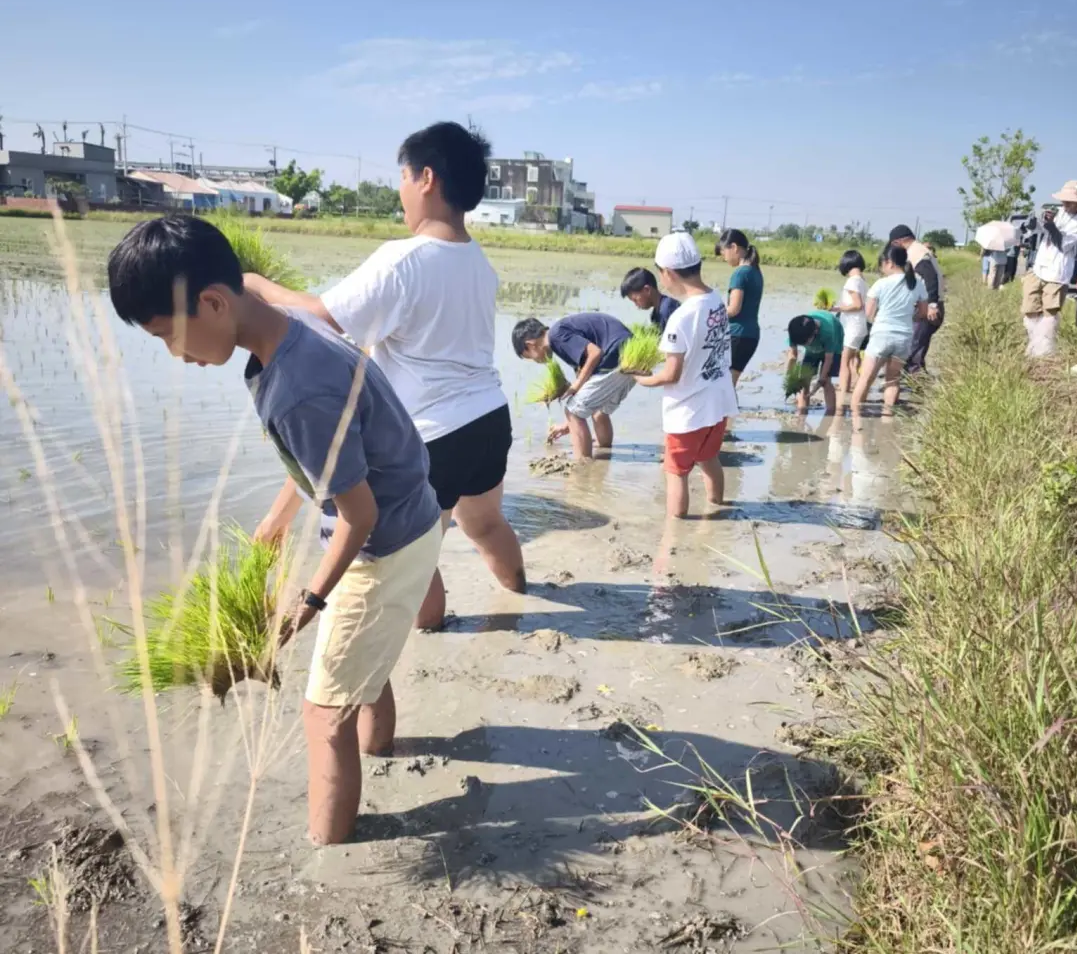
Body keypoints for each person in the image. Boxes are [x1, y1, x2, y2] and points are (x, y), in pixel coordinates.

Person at [106, 216, 442, 845]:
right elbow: (333, 456)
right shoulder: (287, 328)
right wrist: (278, 518)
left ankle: (329, 848)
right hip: (409, 520)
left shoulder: (296, 387)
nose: (174, 354)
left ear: (213, 303)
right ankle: (382, 756)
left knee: (323, 712)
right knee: (361, 664)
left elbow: (358, 513)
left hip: (383, 542)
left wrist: (305, 605)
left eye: (165, 336)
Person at [244, 121, 524, 632]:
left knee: (414, 554)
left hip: (435, 436)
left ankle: (430, 631)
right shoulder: (477, 260)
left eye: (402, 176)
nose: (400, 191)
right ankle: (521, 598)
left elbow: (324, 318)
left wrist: (258, 285)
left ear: (426, 178)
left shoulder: (404, 257)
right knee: (483, 522)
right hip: (489, 418)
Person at [630, 232, 738, 518]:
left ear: (667, 273)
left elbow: (671, 375)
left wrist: (643, 379)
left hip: (688, 411)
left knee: (676, 472)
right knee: (709, 458)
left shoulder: (681, 317)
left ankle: (676, 529)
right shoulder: (715, 300)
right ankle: (718, 508)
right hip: (718, 403)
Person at [512, 311, 632, 459]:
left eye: (529, 357)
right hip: (629, 357)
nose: (535, 361)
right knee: (599, 411)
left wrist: (575, 386)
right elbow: (586, 378)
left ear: (530, 345)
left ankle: (582, 466)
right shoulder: (560, 336)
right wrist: (567, 425)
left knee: (573, 411)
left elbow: (595, 353)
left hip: (617, 357)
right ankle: (604, 453)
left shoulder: (556, 336)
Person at [851, 244, 928, 417]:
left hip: (882, 336)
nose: (882, 268)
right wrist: (909, 317)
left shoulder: (881, 284)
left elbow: (869, 314)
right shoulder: (917, 282)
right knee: (892, 380)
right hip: (904, 337)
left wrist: (878, 319)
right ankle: (887, 419)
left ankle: (854, 419)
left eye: (882, 264)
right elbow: (923, 312)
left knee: (866, 378)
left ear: (890, 262)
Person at [1022, 181, 1077, 358]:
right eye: (1064, 201)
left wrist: (1051, 226)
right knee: (1029, 308)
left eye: (1069, 202)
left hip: (1057, 273)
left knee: (1050, 312)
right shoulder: (1060, 212)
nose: (1065, 204)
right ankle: (1036, 343)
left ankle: (1044, 349)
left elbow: (1063, 243)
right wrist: (1034, 223)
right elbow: (1039, 230)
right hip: (1039, 267)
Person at [884, 225, 944, 374]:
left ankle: (913, 386)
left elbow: (930, 277)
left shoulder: (916, 253)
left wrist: (932, 304)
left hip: (928, 308)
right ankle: (912, 385)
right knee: (916, 348)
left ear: (899, 242)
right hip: (926, 305)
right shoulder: (919, 250)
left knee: (913, 350)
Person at [717, 229, 763, 384]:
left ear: (734, 247)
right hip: (751, 335)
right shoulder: (756, 272)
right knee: (729, 384)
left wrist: (713, 314)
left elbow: (734, 309)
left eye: (724, 252)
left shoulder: (740, 273)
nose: (724, 258)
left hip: (737, 335)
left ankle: (727, 409)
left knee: (724, 386)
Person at [785, 309, 843, 416]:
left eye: (804, 343)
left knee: (826, 382)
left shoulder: (828, 332)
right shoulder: (795, 330)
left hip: (834, 344)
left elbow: (828, 359)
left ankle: (830, 414)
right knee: (804, 380)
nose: (802, 345)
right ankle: (802, 414)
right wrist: (790, 377)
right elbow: (793, 356)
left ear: (815, 332)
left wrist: (820, 381)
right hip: (812, 350)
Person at [835, 249, 868, 398]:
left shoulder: (852, 281)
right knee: (855, 359)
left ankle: (843, 392)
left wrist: (837, 308)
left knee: (844, 361)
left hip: (853, 327)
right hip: (860, 325)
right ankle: (854, 388)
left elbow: (857, 305)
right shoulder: (863, 281)